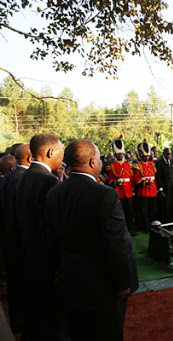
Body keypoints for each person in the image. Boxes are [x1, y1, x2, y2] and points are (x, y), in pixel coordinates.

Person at [46, 139, 138, 340]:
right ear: (91, 163)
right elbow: (116, 244)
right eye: (98, 159)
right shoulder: (105, 195)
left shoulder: (54, 192)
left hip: (70, 280)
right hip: (103, 286)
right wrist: (123, 283)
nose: (101, 164)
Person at [16, 133, 63, 340]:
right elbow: (53, 229)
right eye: (61, 153)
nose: (62, 159)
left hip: (24, 258)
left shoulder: (21, 177)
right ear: (51, 152)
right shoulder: (49, 182)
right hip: (46, 265)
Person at [0, 144, 31, 335]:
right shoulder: (28, 179)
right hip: (25, 243)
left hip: (8, 241)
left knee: (14, 287)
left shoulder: (5, 179)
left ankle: (17, 323)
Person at [107, 137, 136, 236]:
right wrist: (116, 182)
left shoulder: (128, 165)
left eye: (122, 154)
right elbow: (110, 180)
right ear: (115, 154)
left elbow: (131, 179)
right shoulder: (112, 166)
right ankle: (121, 231)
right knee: (120, 213)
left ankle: (130, 230)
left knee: (130, 212)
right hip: (119, 192)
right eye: (119, 154)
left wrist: (132, 190)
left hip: (128, 192)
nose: (121, 155)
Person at [133, 141, 158, 232]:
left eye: (147, 156)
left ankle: (154, 227)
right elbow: (136, 180)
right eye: (145, 156)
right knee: (145, 212)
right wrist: (145, 183)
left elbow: (155, 177)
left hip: (153, 191)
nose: (146, 157)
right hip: (144, 192)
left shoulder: (152, 165)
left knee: (153, 211)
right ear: (141, 156)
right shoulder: (138, 166)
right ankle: (146, 227)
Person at [155, 148, 173, 223]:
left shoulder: (172, 161)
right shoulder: (159, 163)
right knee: (166, 206)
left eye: (169, 154)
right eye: (167, 154)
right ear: (164, 153)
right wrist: (160, 190)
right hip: (165, 188)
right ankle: (167, 222)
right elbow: (158, 177)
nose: (168, 155)